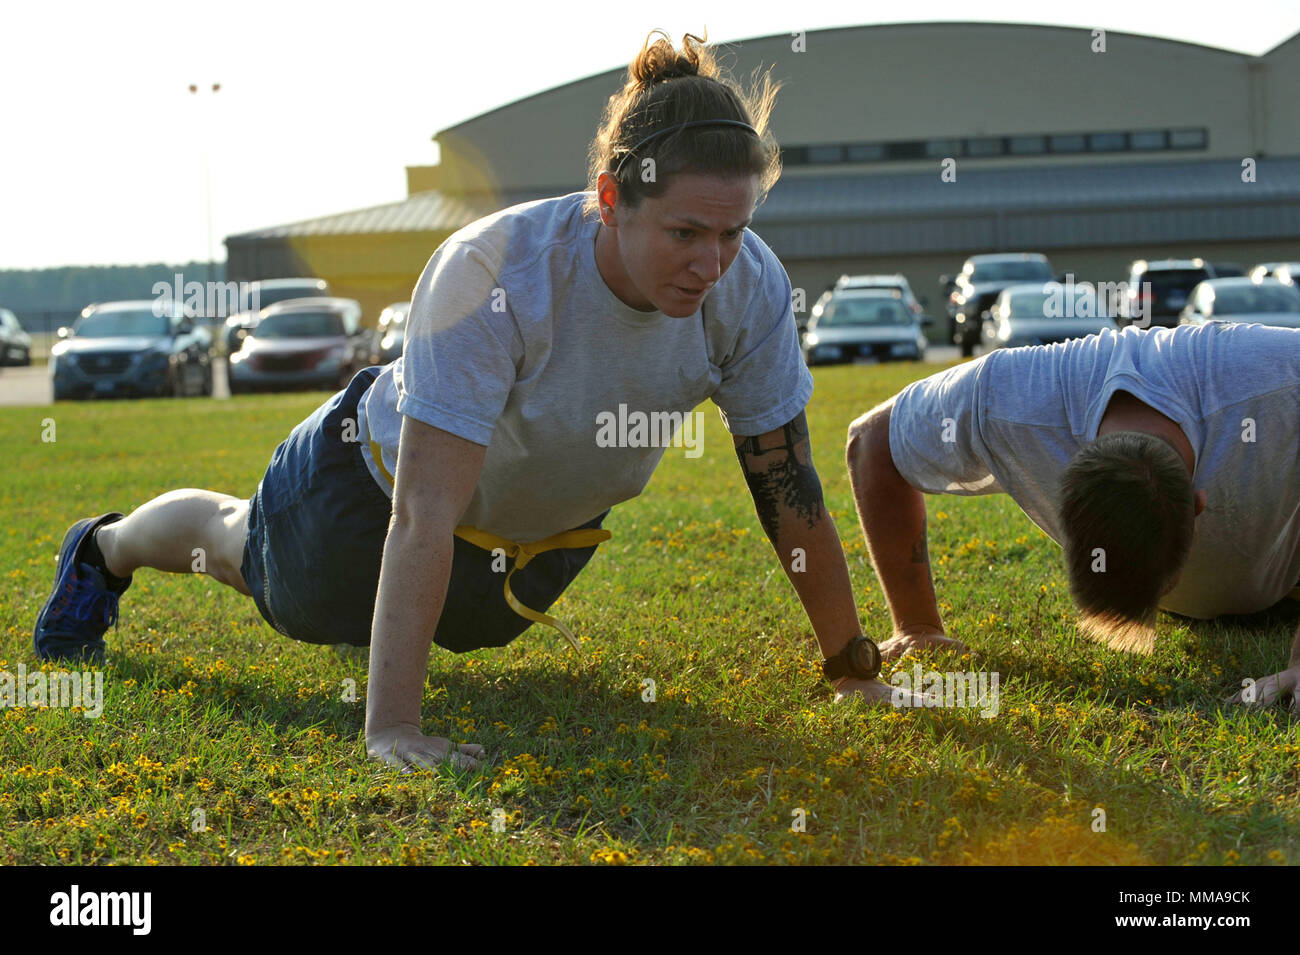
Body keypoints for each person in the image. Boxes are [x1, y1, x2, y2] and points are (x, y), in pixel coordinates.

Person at [34, 30, 909, 772]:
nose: (712, 263)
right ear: (610, 199)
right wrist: (394, 727)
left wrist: (850, 664)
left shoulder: (748, 286)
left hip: (528, 539)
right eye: (685, 232)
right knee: (244, 555)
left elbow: (788, 489)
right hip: (364, 491)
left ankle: (381, 632)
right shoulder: (496, 271)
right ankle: (105, 549)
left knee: (477, 635)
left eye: (733, 232)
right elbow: (420, 512)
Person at [845, 320, 1300, 708]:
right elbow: (870, 445)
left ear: (1201, 506)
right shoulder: (1007, 400)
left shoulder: (1279, 380)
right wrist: (916, 625)